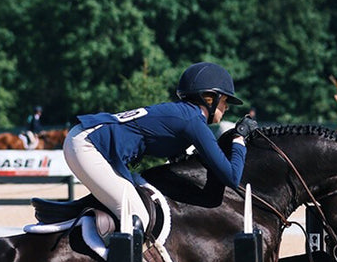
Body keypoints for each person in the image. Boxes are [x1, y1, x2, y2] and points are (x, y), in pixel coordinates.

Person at [63, 62, 256, 241]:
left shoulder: (185, 115)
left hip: (87, 139)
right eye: (225, 100)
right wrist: (239, 139)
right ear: (210, 98)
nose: (227, 106)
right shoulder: (193, 121)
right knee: (136, 215)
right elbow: (231, 177)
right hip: (88, 145)